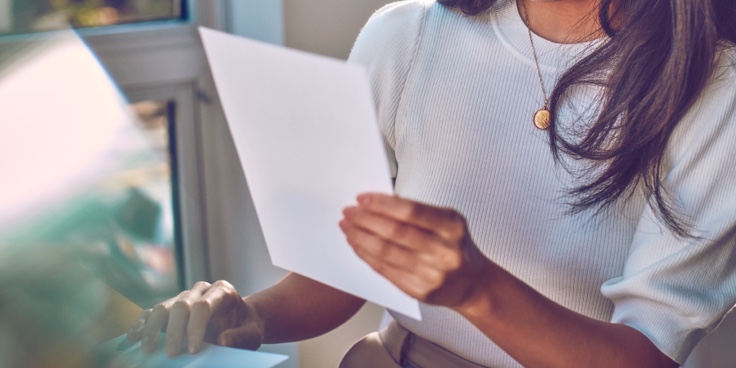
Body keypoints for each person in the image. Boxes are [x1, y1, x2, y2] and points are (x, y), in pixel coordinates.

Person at [127, 0, 736, 366]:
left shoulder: (716, 88)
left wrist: (477, 289)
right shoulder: (407, 35)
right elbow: (339, 272)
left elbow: (646, 358)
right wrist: (250, 317)